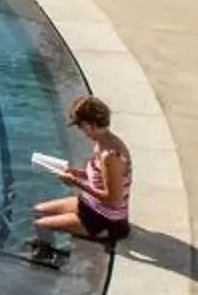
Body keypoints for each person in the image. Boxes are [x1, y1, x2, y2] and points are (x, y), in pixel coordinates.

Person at [32, 96, 130, 251]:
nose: (80, 130)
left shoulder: (110, 155)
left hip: (105, 219)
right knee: (37, 211)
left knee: (41, 225)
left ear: (90, 125)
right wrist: (77, 173)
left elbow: (114, 199)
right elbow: (102, 177)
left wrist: (75, 182)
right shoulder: (102, 142)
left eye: (80, 125)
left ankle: (48, 256)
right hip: (90, 205)